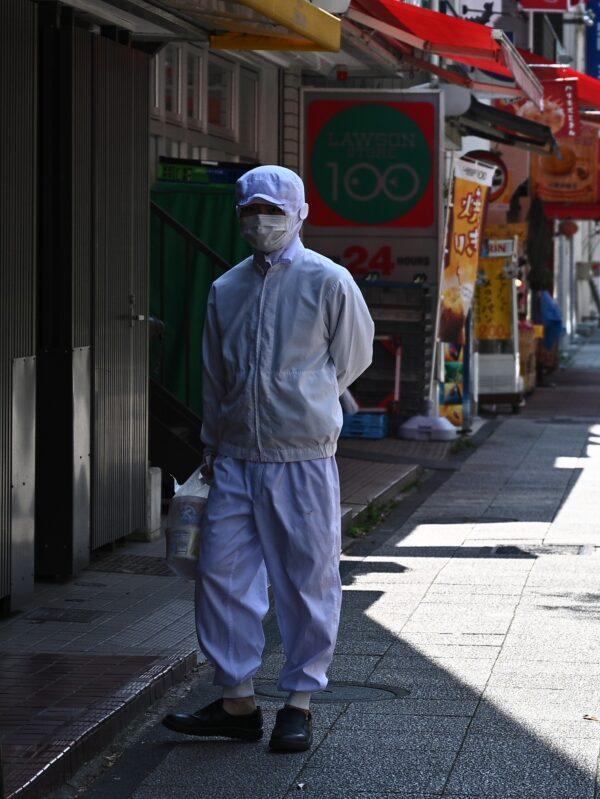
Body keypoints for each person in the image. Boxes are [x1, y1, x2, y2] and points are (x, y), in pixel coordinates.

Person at [162, 166, 374, 753]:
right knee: (220, 576)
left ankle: (299, 701)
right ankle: (237, 699)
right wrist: (211, 440)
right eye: (250, 211)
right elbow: (214, 371)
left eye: (272, 211)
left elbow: (353, 358)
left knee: (308, 577)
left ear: (300, 214)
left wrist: (304, 399)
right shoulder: (225, 288)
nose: (260, 222)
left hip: (301, 453)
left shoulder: (328, 281)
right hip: (231, 454)